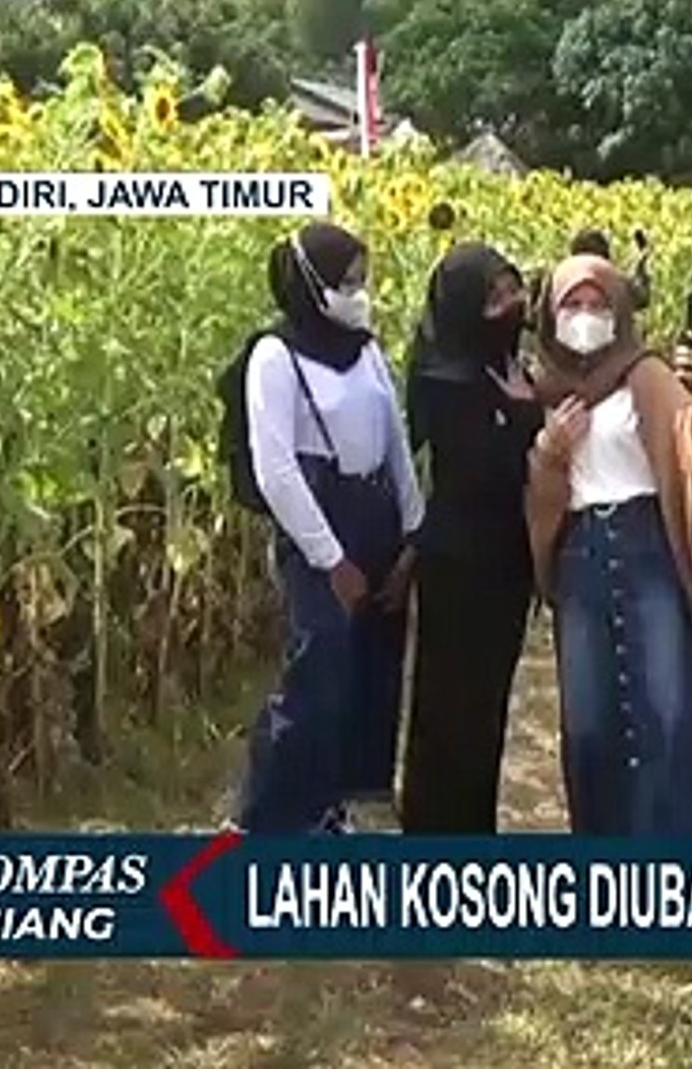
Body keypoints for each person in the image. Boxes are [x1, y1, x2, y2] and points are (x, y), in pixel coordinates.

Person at [526, 253, 692, 836]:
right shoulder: (540, 386)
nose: (585, 315)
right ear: (550, 315)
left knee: (668, 710)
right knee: (590, 722)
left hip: (647, 550)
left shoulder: (647, 375)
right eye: (572, 304)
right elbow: (536, 495)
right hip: (580, 557)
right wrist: (548, 452)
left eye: (597, 304)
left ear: (620, 311)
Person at [233, 221, 422, 834]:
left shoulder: (364, 349)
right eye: (346, 281)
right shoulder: (276, 356)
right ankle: (266, 817)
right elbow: (276, 470)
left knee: (369, 675)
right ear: (310, 285)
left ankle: (331, 807)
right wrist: (330, 559)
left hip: (376, 515)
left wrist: (412, 535)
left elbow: (395, 441)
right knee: (317, 673)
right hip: (318, 521)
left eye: (362, 279)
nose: (358, 292)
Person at [398, 242, 543, 834]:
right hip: (461, 568)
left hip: (506, 566)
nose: (510, 306)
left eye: (513, 290)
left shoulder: (508, 366)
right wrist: (528, 420)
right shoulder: (446, 380)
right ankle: (434, 829)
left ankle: (473, 826)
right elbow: (483, 472)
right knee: (449, 707)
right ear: (463, 308)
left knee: (487, 708)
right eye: (493, 298)